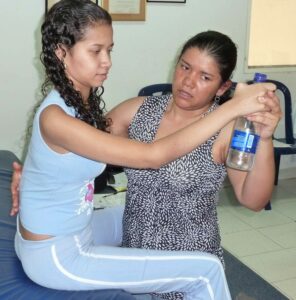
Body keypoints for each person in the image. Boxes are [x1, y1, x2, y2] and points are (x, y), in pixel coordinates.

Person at [10, 0, 278, 298]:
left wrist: (29, 176)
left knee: (127, 208)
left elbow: (60, 153)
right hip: (60, 251)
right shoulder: (139, 111)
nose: (107, 61)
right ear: (62, 52)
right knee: (208, 270)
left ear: (221, 87)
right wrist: (234, 108)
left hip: (184, 239)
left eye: (109, 50)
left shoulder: (76, 104)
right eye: (185, 67)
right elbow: (151, 156)